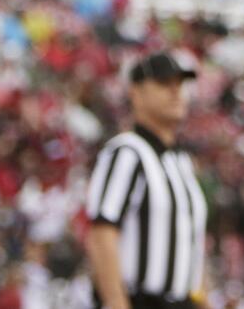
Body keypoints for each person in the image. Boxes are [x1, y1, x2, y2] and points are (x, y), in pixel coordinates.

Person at [85, 52, 209, 309]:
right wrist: (116, 301)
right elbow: (102, 232)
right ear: (136, 93)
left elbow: (191, 243)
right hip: (141, 300)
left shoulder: (181, 162)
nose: (176, 93)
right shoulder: (127, 152)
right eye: (164, 84)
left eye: (180, 85)